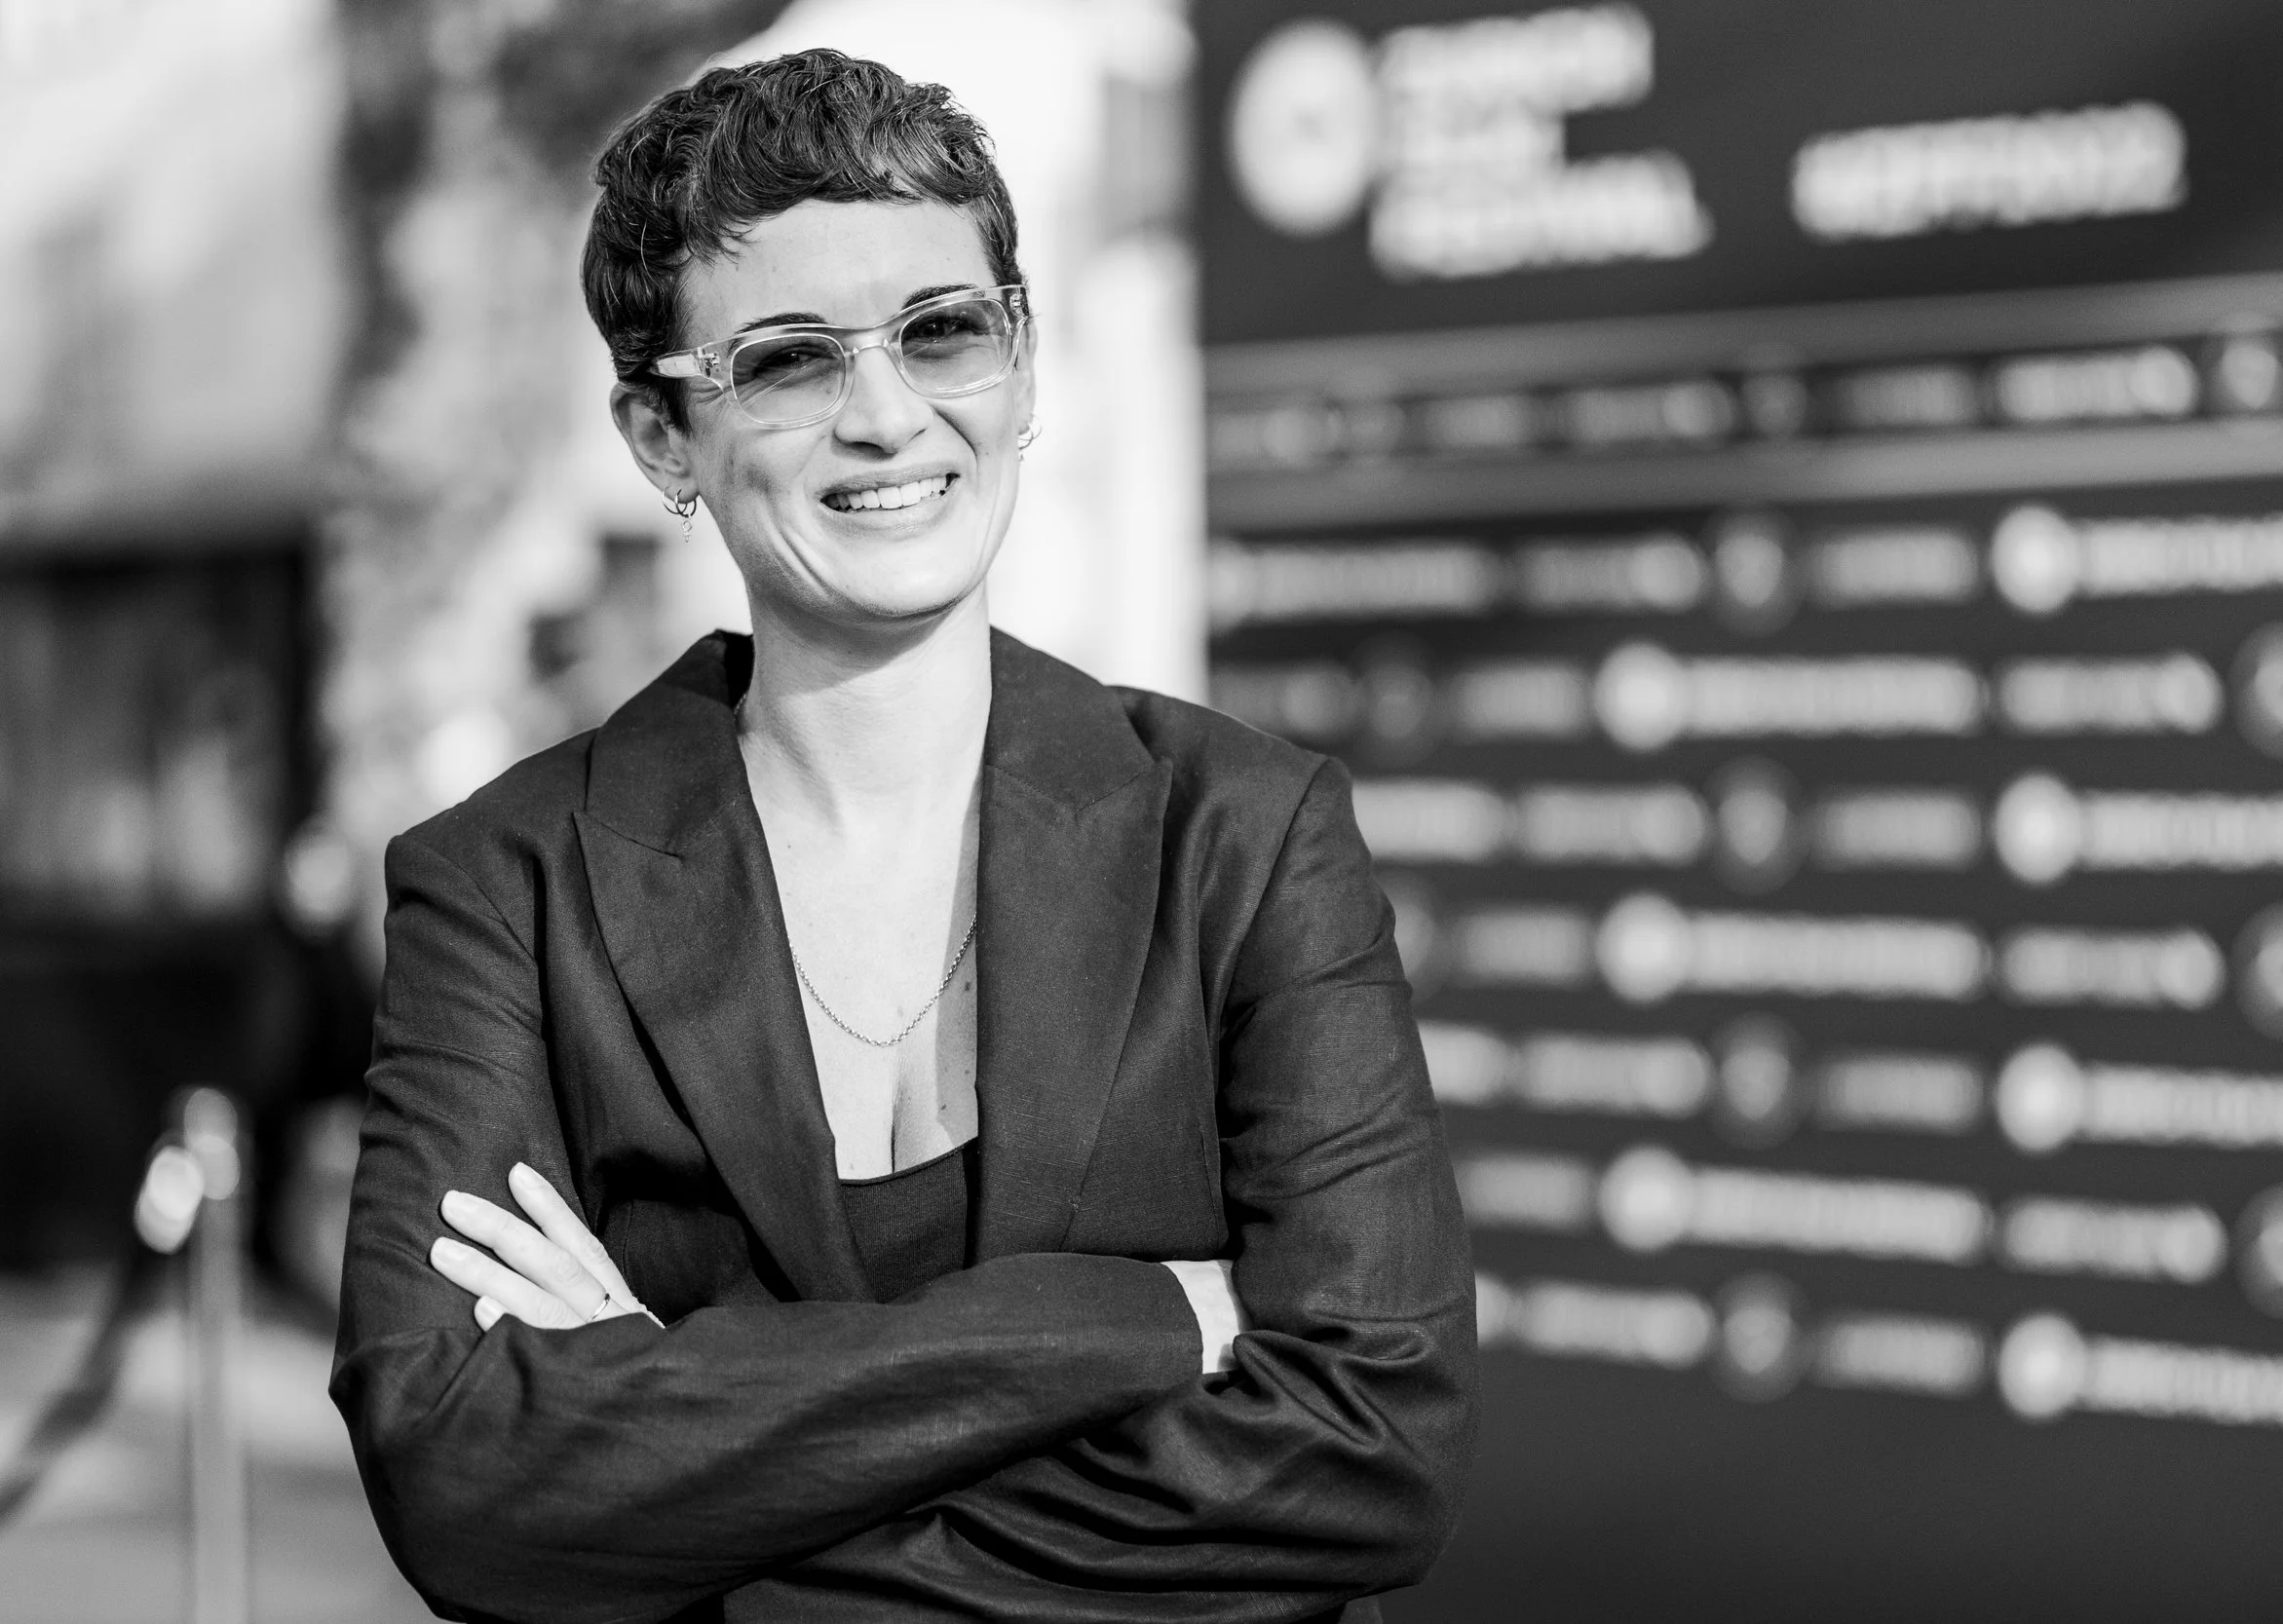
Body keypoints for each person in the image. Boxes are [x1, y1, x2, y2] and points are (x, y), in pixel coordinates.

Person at [331, 47, 1475, 1624]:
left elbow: (1369, 1456)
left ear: (1021, 366)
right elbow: (463, 1482)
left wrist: (693, 1461)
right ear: (662, 438)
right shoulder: (502, 887)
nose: (888, 416)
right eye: (791, 362)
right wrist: (1130, 1326)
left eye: (943, 331)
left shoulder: (1252, 837)